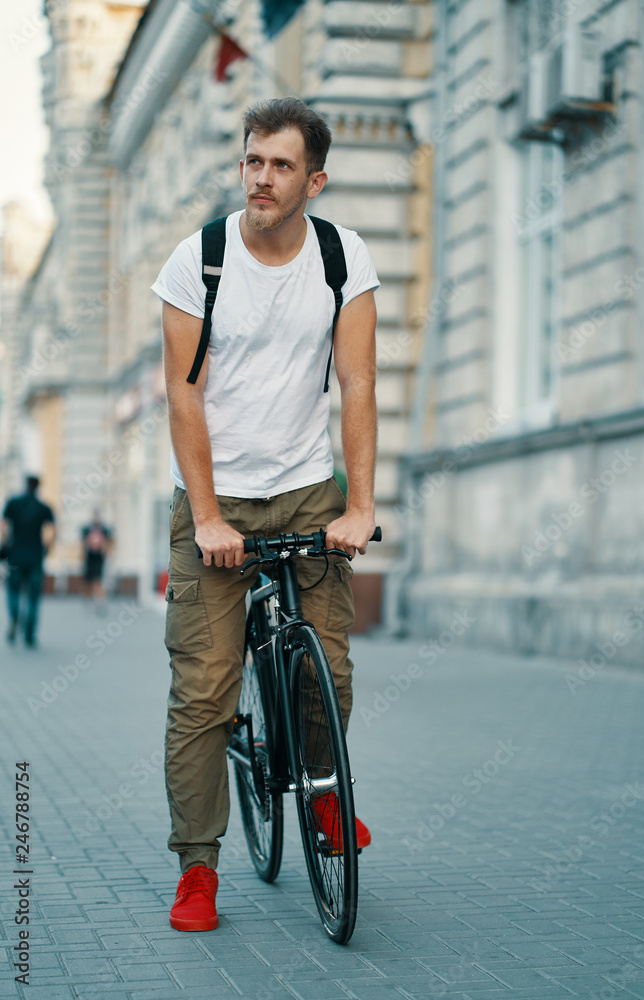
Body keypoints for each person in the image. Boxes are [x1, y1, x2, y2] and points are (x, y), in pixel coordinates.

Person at [151, 96, 379, 933]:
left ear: (313, 179)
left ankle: (322, 798)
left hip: (305, 489)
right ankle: (198, 868)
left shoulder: (340, 255)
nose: (261, 177)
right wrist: (208, 519)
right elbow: (184, 395)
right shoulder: (198, 259)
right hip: (216, 498)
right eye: (252, 160)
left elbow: (358, 383)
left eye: (281, 165)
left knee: (332, 671)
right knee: (204, 693)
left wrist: (358, 504)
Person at [1, 475, 56, 647]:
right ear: (38, 487)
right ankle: (29, 635)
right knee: (33, 596)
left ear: (25, 485)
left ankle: (15, 617)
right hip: (35, 556)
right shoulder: (43, 507)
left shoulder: (13, 503)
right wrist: (47, 548)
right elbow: (53, 530)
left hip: (16, 555)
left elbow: (3, 526)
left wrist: (5, 544)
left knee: (13, 590)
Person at [81, 511, 113, 604]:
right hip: (90, 556)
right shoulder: (87, 528)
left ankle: (98, 598)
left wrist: (106, 553)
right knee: (88, 579)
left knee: (98, 579)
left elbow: (109, 542)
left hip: (99, 556)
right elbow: (83, 543)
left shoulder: (103, 529)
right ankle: (87, 597)